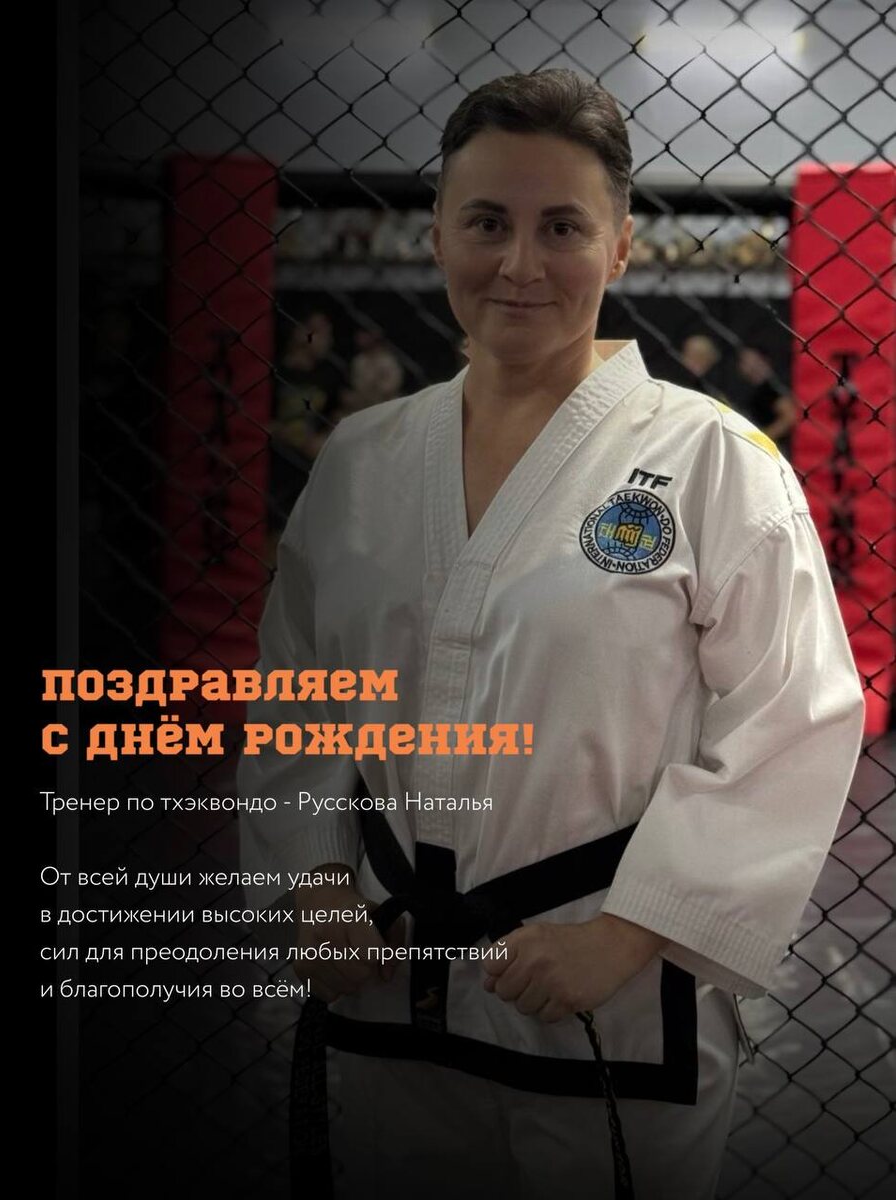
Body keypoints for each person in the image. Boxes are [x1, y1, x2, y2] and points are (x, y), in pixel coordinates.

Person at [237, 69, 865, 1200]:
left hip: (612, 1004)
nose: (520, 264)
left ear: (620, 248)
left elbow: (796, 716)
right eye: (487, 222)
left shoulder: (713, 462)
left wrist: (628, 933)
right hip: (389, 975)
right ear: (436, 234)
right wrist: (312, 882)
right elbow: (299, 688)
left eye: (562, 227)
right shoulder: (363, 460)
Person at [735, 343, 798, 456]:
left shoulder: (771, 387)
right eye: (745, 362)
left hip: (782, 451)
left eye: (754, 360)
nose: (750, 366)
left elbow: (790, 416)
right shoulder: (758, 390)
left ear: (765, 360)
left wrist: (759, 439)